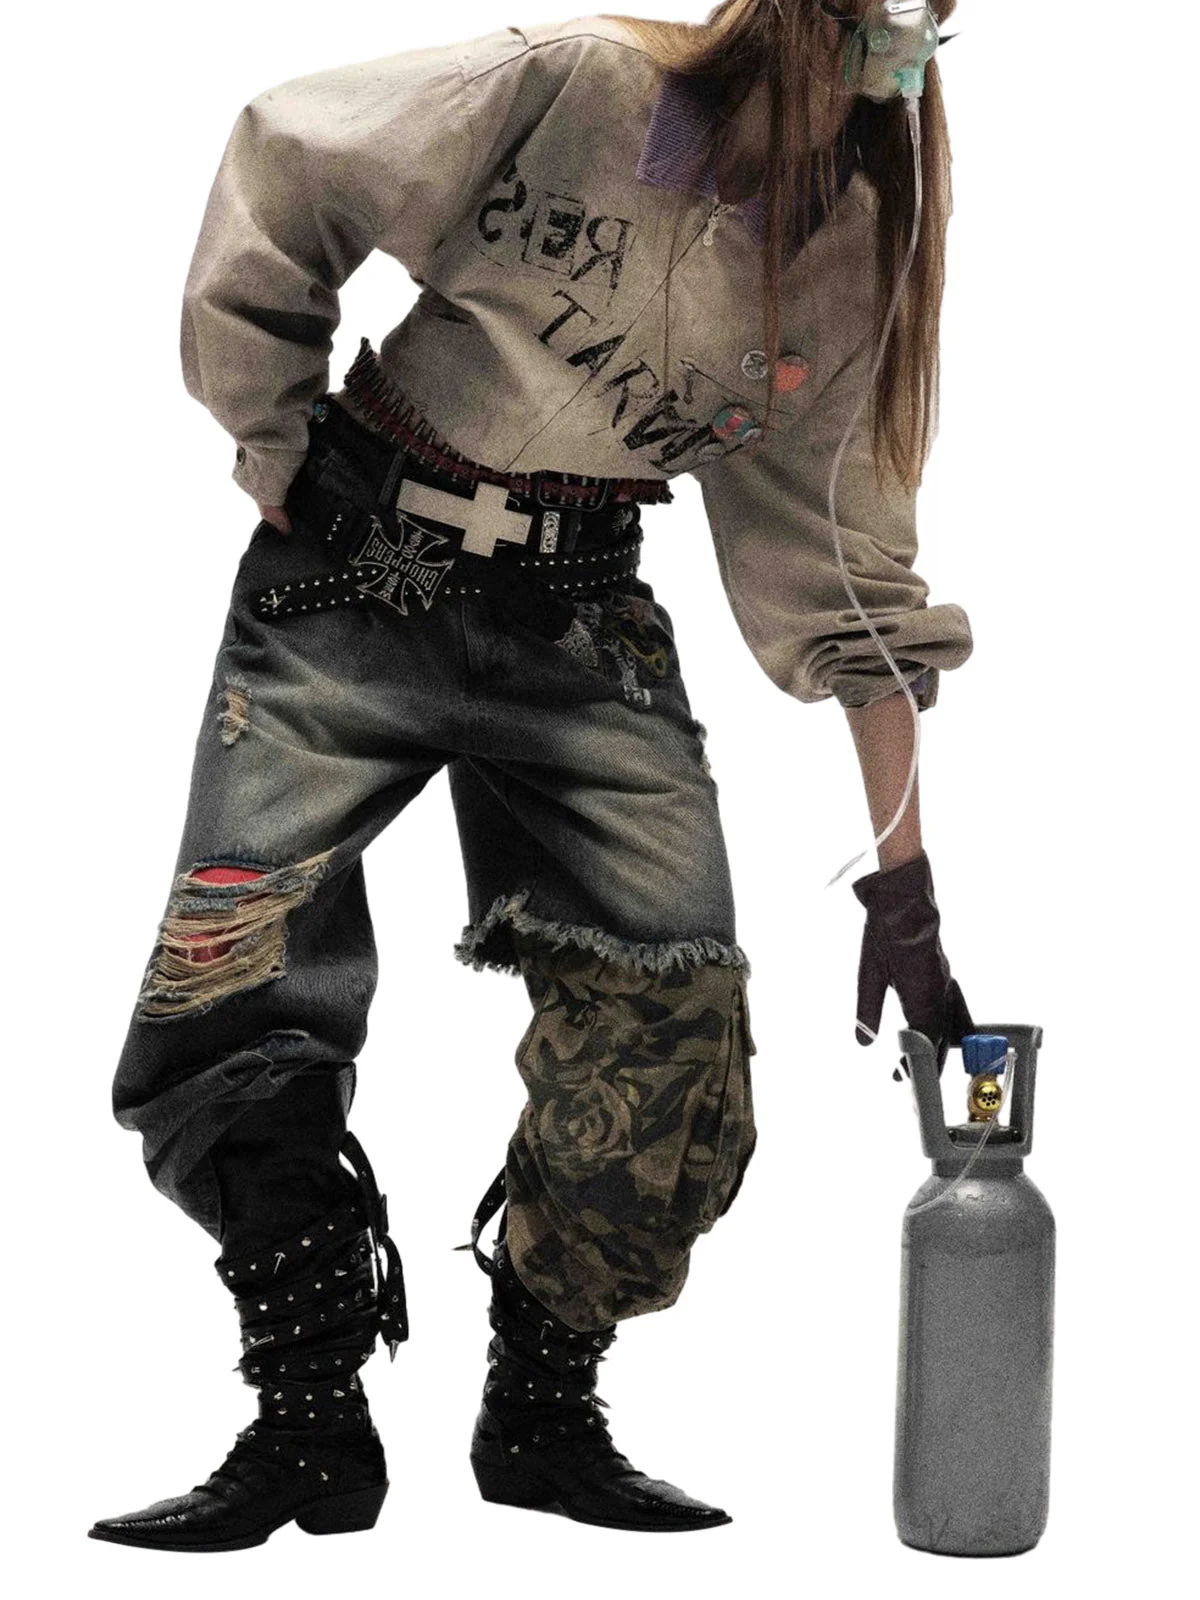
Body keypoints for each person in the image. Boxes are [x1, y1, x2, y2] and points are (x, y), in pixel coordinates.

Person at [88, 1, 975, 1550]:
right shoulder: (574, 85)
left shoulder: (849, 241)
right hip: (356, 560)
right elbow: (293, 159)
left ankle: (543, 1412)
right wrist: (274, 443)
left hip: (581, 613)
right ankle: (305, 1422)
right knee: (231, 977)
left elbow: (843, 568)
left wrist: (905, 891)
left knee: (672, 1019)